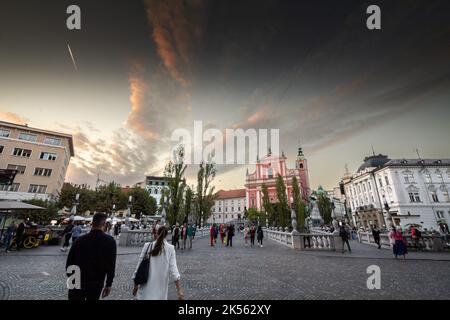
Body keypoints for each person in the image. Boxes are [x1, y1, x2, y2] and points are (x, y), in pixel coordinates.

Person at [66, 213, 117, 300]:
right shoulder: (110, 241)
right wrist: (108, 284)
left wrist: (71, 278)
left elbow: (70, 261)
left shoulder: (79, 240)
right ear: (104, 224)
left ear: (92, 223)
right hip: (97, 281)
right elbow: (111, 265)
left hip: (77, 279)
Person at [132, 226, 184, 300]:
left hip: (145, 291)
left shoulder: (147, 246)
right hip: (160, 292)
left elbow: (139, 267)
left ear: (156, 233)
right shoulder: (170, 248)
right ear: (166, 235)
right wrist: (179, 290)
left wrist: (135, 285)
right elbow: (174, 270)